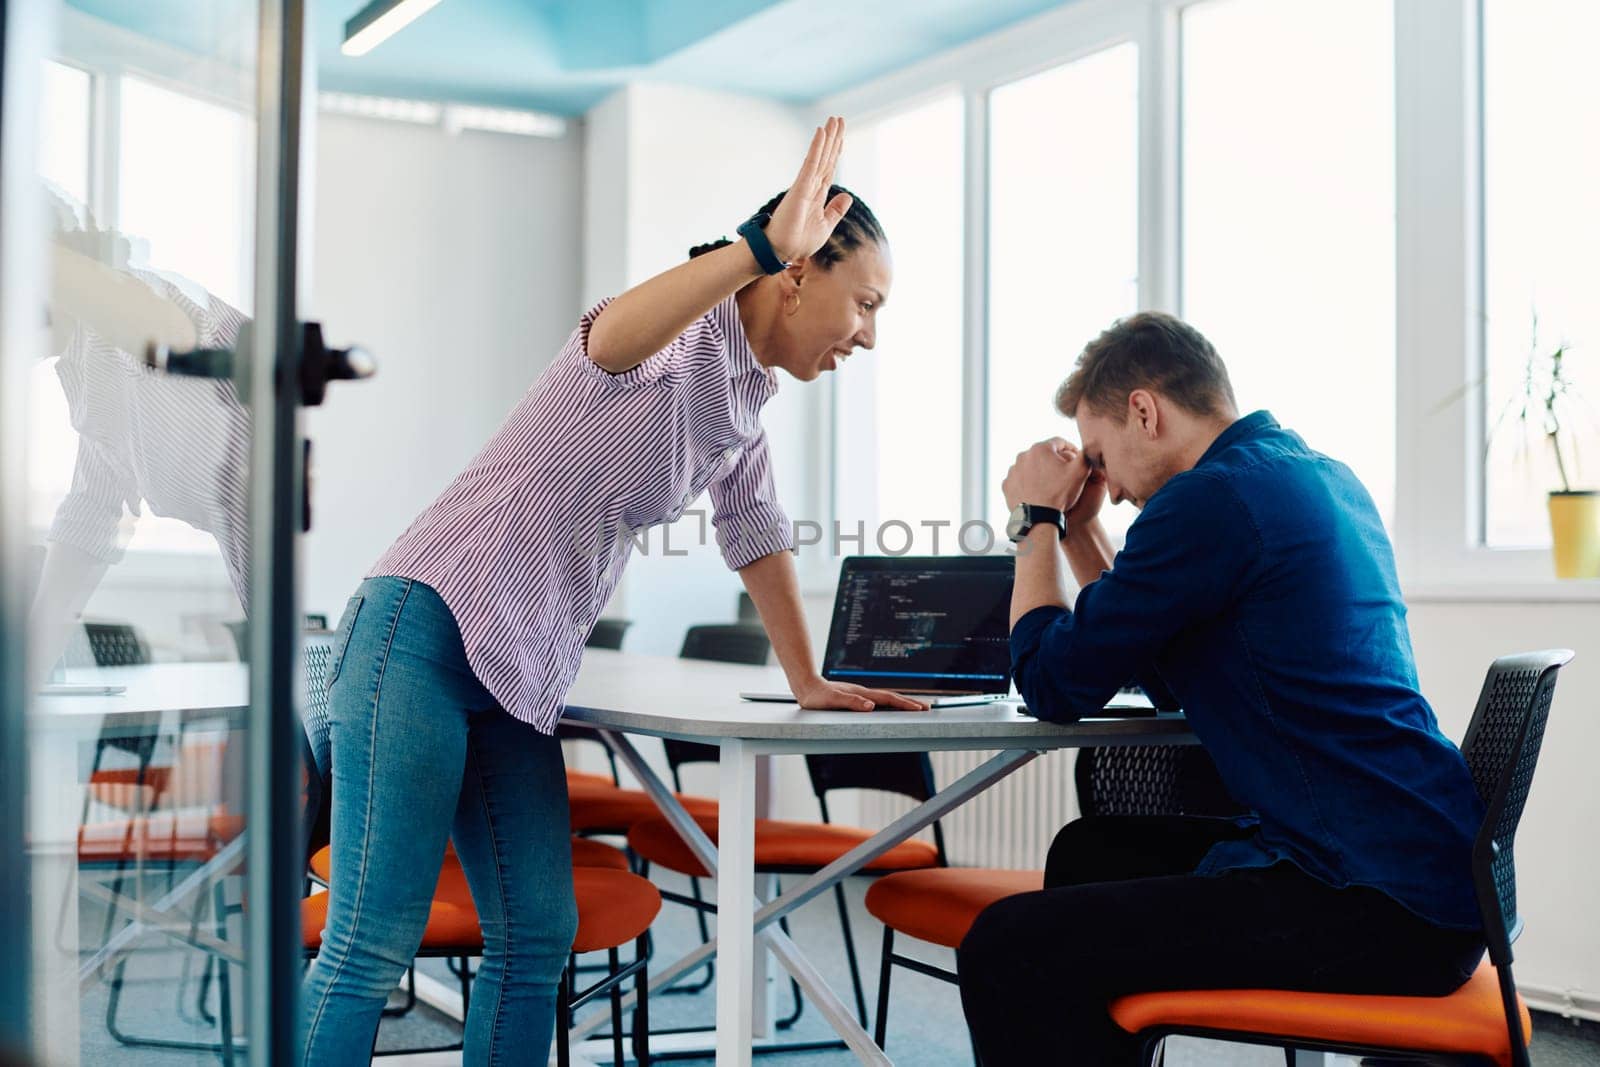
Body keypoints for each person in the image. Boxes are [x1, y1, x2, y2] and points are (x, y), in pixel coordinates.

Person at [299, 116, 928, 1066]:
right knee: (370, 942)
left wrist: (807, 678)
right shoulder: (674, 340)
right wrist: (755, 246)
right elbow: (613, 333)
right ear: (797, 275)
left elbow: (755, 537)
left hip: (513, 679)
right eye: (866, 302)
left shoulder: (743, 401)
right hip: (422, 634)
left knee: (535, 934)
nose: (870, 335)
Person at [959, 311, 1486, 1064]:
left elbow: (1050, 679)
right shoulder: (1309, 474)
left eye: (1102, 458)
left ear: (1145, 409)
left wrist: (1034, 520)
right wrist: (1079, 533)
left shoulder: (1210, 502)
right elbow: (1153, 661)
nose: (1104, 488)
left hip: (1373, 901)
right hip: (1424, 872)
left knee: (1007, 945)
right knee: (1091, 850)